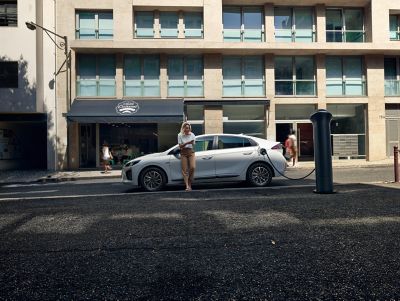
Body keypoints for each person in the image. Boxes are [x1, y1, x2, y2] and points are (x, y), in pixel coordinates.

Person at [178, 122, 196, 191]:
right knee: (184, 170)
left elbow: (193, 144)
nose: (187, 129)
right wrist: (187, 142)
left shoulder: (192, 134)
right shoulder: (179, 135)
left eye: (188, 128)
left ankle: (189, 182)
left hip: (191, 151)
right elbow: (180, 146)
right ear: (183, 128)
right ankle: (187, 186)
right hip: (183, 152)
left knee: (192, 167)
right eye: (186, 128)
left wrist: (191, 142)